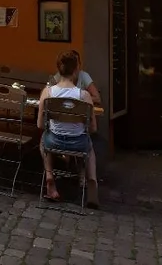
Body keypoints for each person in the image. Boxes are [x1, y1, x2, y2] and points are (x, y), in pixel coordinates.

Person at [38, 50, 99, 208]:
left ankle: (49, 176)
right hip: (78, 143)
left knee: (43, 141)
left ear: (58, 69)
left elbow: (39, 125)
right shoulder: (84, 96)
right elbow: (93, 128)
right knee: (90, 149)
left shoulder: (47, 92)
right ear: (76, 69)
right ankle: (91, 179)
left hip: (54, 142)